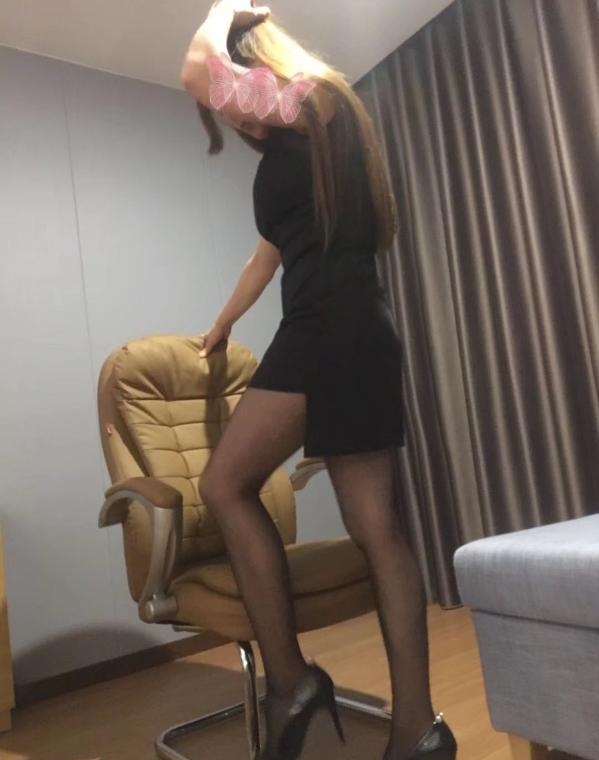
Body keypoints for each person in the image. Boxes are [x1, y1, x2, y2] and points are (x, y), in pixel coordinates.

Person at [179, 2, 458, 759]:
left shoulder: (313, 99)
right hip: (353, 327)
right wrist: (223, 323)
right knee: (378, 532)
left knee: (225, 485)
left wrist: (224, 8)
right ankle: (417, 731)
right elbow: (266, 256)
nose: (236, 119)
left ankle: (292, 683)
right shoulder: (311, 141)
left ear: (258, 62)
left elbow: (197, 70)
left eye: (235, 105)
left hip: (325, 328)